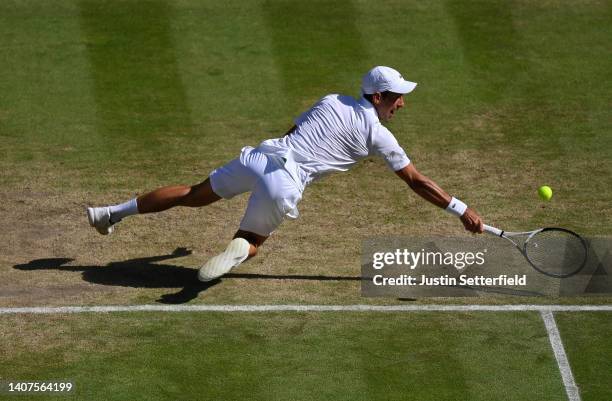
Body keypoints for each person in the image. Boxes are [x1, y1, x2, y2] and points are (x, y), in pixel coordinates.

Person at [87, 66, 484, 282]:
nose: (402, 104)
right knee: (252, 240)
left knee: (193, 194)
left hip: (262, 157)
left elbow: (294, 133)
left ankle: (109, 213)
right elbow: (417, 181)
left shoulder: (331, 100)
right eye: (397, 97)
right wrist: (461, 209)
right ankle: (240, 248)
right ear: (377, 97)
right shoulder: (380, 137)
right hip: (286, 182)